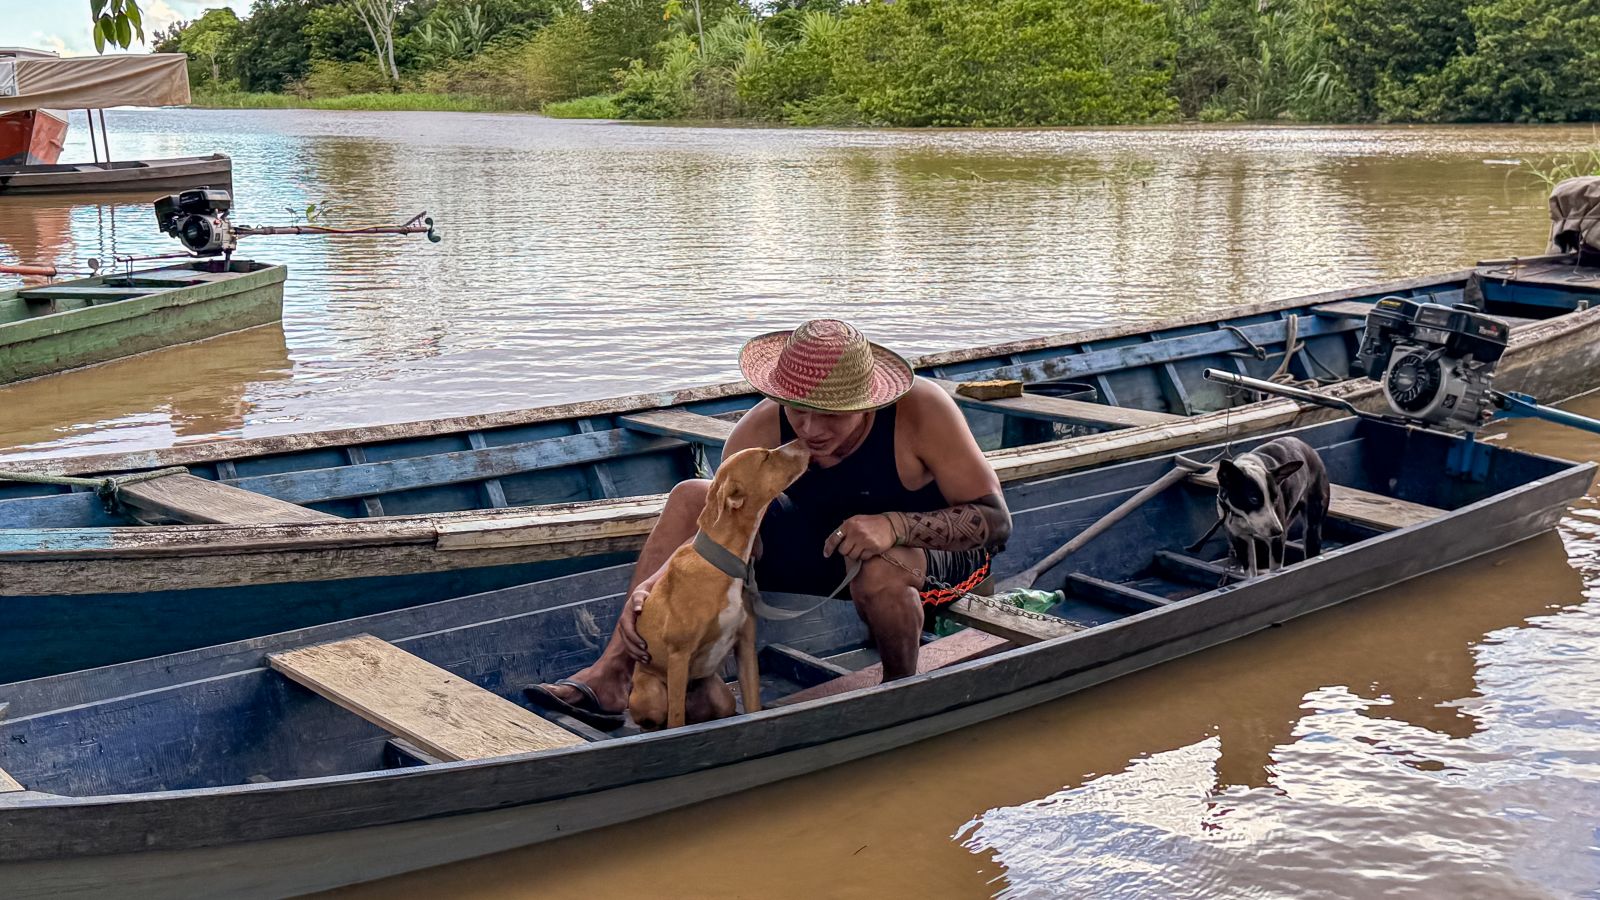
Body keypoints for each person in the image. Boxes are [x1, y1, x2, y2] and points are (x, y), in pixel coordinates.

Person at [525, 319, 1011, 728]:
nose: (811, 431)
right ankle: (613, 673)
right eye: (799, 412)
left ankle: (898, 692)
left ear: (869, 402)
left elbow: (995, 522)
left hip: (927, 561)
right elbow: (718, 531)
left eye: (830, 417)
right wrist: (660, 582)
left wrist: (894, 526)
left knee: (881, 568)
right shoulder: (760, 428)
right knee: (693, 495)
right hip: (824, 550)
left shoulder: (921, 412)